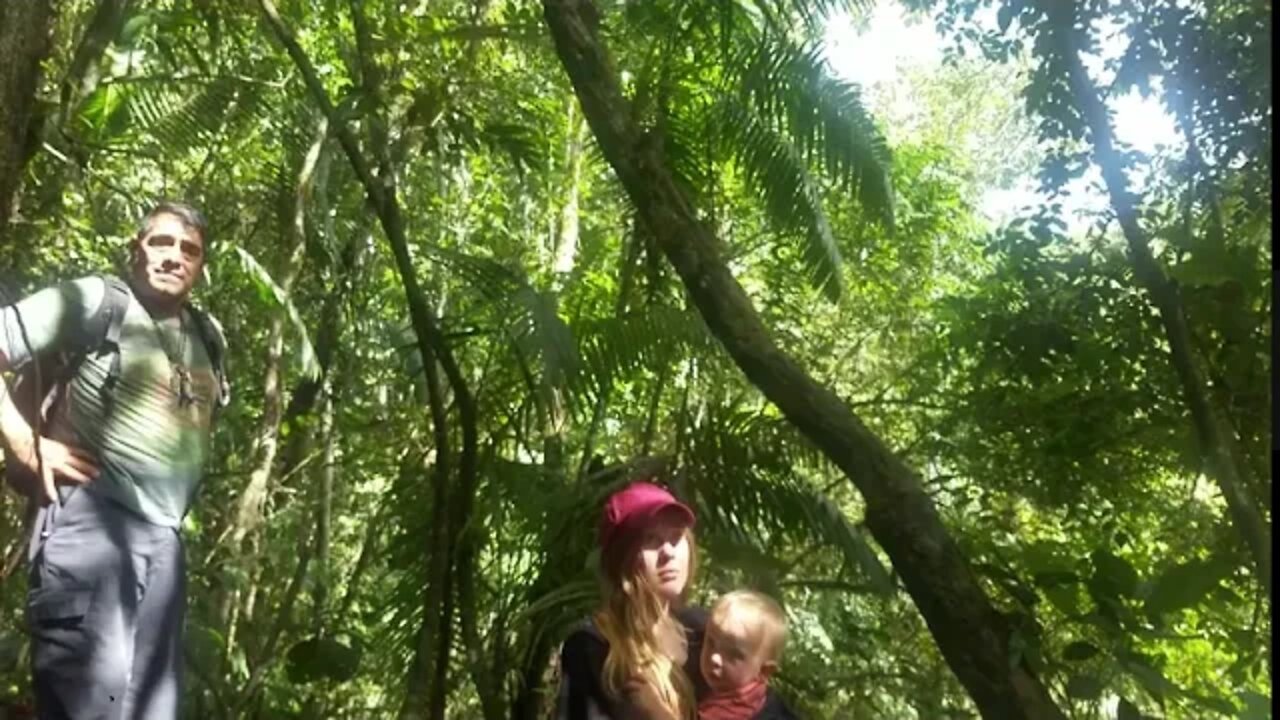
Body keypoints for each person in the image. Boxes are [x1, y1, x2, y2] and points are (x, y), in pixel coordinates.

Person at [0, 201, 228, 719]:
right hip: (90, 524)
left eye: (188, 249)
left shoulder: (207, 336)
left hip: (164, 541)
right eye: (161, 243)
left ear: (201, 266)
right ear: (136, 248)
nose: (174, 257)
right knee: (87, 708)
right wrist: (21, 442)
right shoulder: (94, 300)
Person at [556, 480, 707, 720]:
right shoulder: (593, 647)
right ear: (621, 560)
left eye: (676, 537)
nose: (668, 552)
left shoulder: (705, 632)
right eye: (651, 539)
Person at [697, 590, 797, 720]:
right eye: (711, 642)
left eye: (733, 654)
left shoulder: (768, 715)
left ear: (764, 671)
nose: (714, 658)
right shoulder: (700, 688)